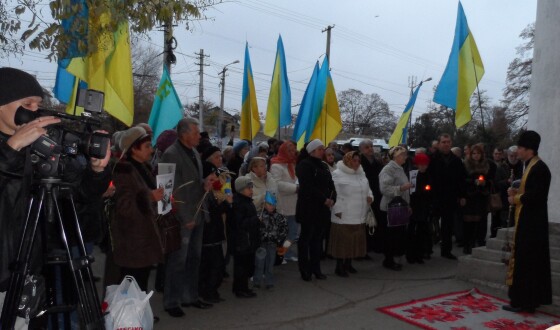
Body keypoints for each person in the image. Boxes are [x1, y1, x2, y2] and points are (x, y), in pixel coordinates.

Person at [0, 68, 111, 327]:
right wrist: (12, 148)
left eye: (38, 104)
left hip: (31, 267)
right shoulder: (17, 146)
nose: (34, 111)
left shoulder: (39, 144)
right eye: (26, 104)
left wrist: (96, 170)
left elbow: (81, 193)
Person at [160, 118, 212, 318]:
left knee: (194, 258)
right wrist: (183, 217)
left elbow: (192, 181)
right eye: (196, 132)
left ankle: (190, 296)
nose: (199, 136)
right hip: (182, 217)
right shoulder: (170, 154)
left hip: (197, 213)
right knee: (177, 261)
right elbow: (166, 189)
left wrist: (204, 183)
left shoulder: (193, 153)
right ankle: (171, 301)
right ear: (184, 134)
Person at [503, 130, 552, 313]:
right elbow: (528, 191)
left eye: (521, 148)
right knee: (528, 261)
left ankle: (524, 302)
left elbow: (536, 196)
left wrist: (515, 199)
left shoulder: (539, 168)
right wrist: (516, 193)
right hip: (529, 221)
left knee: (527, 262)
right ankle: (526, 299)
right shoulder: (530, 165)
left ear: (529, 149)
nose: (518, 152)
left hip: (532, 223)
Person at [112, 127, 163, 291]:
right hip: (133, 240)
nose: (151, 150)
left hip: (143, 237)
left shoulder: (142, 167)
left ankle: (140, 313)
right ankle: (129, 315)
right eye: (147, 146)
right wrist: (150, 197)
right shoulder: (124, 170)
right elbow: (124, 207)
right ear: (134, 148)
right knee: (132, 282)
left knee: (141, 281)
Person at [296, 139, 336, 281]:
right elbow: (307, 186)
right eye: (319, 149)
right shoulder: (304, 165)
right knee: (306, 239)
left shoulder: (324, 166)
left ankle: (316, 268)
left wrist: (332, 197)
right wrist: (323, 198)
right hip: (308, 207)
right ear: (312, 151)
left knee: (317, 240)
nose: (322, 151)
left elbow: (331, 184)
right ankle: (304, 269)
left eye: (322, 149)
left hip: (322, 208)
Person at [329, 151, 372, 277]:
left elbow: (368, 189)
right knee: (342, 241)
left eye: (358, 161)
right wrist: (337, 210)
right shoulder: (337, 174)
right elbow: (333, 193)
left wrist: (370, 196)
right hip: (344, 213)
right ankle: (339, 266)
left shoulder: (361, 173)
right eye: (354, 160)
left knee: (354, 240)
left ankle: (348, 263)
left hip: (359, 213)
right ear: (348, 160)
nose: (357, 163)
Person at [428, 133, 466, 260]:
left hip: (450, 197)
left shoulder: (456, 161)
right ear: (439, 144)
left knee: (447, 226)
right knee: (429, 224)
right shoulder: (431, 159)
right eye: (443, 142)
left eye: (448, 142)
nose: (446, 144)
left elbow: (462, 179)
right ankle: (427, 249)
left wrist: (462, 195)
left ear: (451, 143)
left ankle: (446, 250)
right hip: (434, 196)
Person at [199, 161, 231, 304]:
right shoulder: (203, 194)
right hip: (208, 235)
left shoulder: (213, 192)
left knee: (217, 265)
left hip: (216, 233)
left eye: (215, 177)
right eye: (211, 177)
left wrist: (224, 201)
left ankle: (211, 291)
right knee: (212, 265)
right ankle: (208, 291)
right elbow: (209, 214)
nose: (214, 180)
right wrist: (223, 203)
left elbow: (224, 210)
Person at [378, 146, 413, 271]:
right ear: (396, 156)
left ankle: (393, 258)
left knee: (397, 234)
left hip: (399, 206)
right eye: (403, 155)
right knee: (390, 236)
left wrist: (407, 205)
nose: (405, 157)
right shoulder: (388, 170)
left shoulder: (399, 169)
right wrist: (401, 188)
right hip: (390, 208)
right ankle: (388, 260)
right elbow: (384, 188)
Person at [229, 176, 260, 298]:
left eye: (251, 187)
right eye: (248, 187)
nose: (251, 190)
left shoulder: (247, 201)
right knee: (241, 267)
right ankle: (240, 289)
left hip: (247, 240)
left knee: (246, 265)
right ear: (241, 189)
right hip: (241, 241)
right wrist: (256, 219)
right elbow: (240, 223)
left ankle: (243, 288)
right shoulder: (238, 203)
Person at [270, 141, 299, 262]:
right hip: (284, 204)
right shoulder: (276, 165)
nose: (292, 153)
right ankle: (281, 254)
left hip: (294, 203)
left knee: (292, 233)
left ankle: (286, 252)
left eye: (293, 150)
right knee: (283, 233)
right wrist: (295, 188)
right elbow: (276, 184)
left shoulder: (292, 164)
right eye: (289, 151)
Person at [252, 193, 287, 289]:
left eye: (273, 204)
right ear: (264, 204)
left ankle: (269, 281)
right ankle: (257, 281)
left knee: (270, 264)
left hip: (272, 244)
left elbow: (284, 230)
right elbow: (253, 230)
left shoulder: (279, 217)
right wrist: (257, 223)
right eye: (269, 204)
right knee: (259, 263)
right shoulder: (259, 216)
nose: (271, 206)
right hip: (261, 244)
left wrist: (279, 241)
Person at [460, 144, 491, 254]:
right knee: (468, 222)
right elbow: (462, 180)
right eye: (474, 153)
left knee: (480, 222)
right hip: (470, 196)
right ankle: (467, 244)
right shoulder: (466, 165)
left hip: (481, 197)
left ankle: (477, 242)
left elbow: (491, 181)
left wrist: (484, 183)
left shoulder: (486, 165)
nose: (476, 155)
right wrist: (473, 182)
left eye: (478, 153)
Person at [406, 153, 433, 263]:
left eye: (425, 164)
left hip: (424, 206)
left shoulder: (429, 175)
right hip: (414, 206)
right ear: (417, 164)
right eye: (420, 164)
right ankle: (410, 254)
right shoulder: (413, 175)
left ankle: (420, 254)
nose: (423, 166)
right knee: (411, 231)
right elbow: (411, 191)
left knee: (422, 231)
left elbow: (431, 190)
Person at [359, 139, 383, 256]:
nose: (370, 149)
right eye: (367, 147)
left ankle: (375, 244)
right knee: (365, 221)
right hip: (364, 195)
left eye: (371, 146)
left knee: (375, 219)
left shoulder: (377, 162)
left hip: (376, 194)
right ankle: (364, 247)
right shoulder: (359, 162)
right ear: (362, 150)